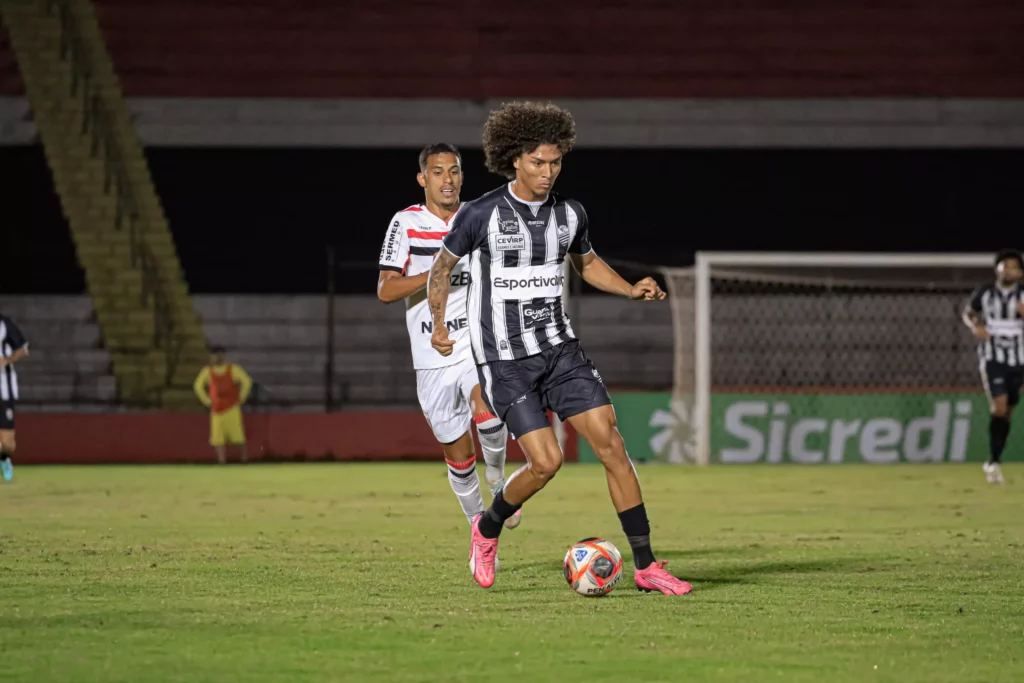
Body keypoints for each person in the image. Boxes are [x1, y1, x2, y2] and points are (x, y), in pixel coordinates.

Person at [427, 102, 691, 595]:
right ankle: (488, 527)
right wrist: (440, 325)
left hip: (560, 351)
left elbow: (586, 264)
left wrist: (630, 287)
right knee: (547, 463)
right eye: (537, 163)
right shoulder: (480, 214)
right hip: (505, 360)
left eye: (555, 162)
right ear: (514, 160)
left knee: (612, 444)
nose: (547, 172)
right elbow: (441, 269)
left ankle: (646, 566)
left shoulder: (571, 214)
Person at [377, 143, 518, 532]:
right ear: (423, 179)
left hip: (475, 343)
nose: (447, 179)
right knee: (457, 452)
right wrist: (438, 272)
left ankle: (499, 479)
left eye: (454, 171)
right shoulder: (405, 224)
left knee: (487, 407)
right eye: (437, 172)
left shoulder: (476, 218)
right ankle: (479, 528)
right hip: (430, 351)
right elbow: (386, 291)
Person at [963, 249, 1024, 484]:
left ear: (1020, 273)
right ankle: (994, 463)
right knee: (998, 406)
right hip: (993, 357)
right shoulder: (985, 293)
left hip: (1019, 359)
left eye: (1014, 267)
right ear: (997, 268)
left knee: (1007, 410)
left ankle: (994, 458)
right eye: (1005, 265)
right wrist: (975, 326)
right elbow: (969, 313)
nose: (1009, 270)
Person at [193, 346, 252, 464]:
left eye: (219, 355)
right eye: (215, 355)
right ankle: (221, 461)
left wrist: (241, 397)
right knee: (218, 438)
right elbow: (198, 386)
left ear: (224, 356)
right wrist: (207, 401)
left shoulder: (233, 369)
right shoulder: (208, 371)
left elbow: (247, 382)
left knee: (238, 436)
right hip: (217, 408)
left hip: (232, 407)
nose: (217, 358)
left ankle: (244, 459)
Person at [0, 312, 29, 482]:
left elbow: (23, 349)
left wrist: (7, 359)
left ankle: (4, 459)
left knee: (7, 444)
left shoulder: (4, 324)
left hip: (4, 388)